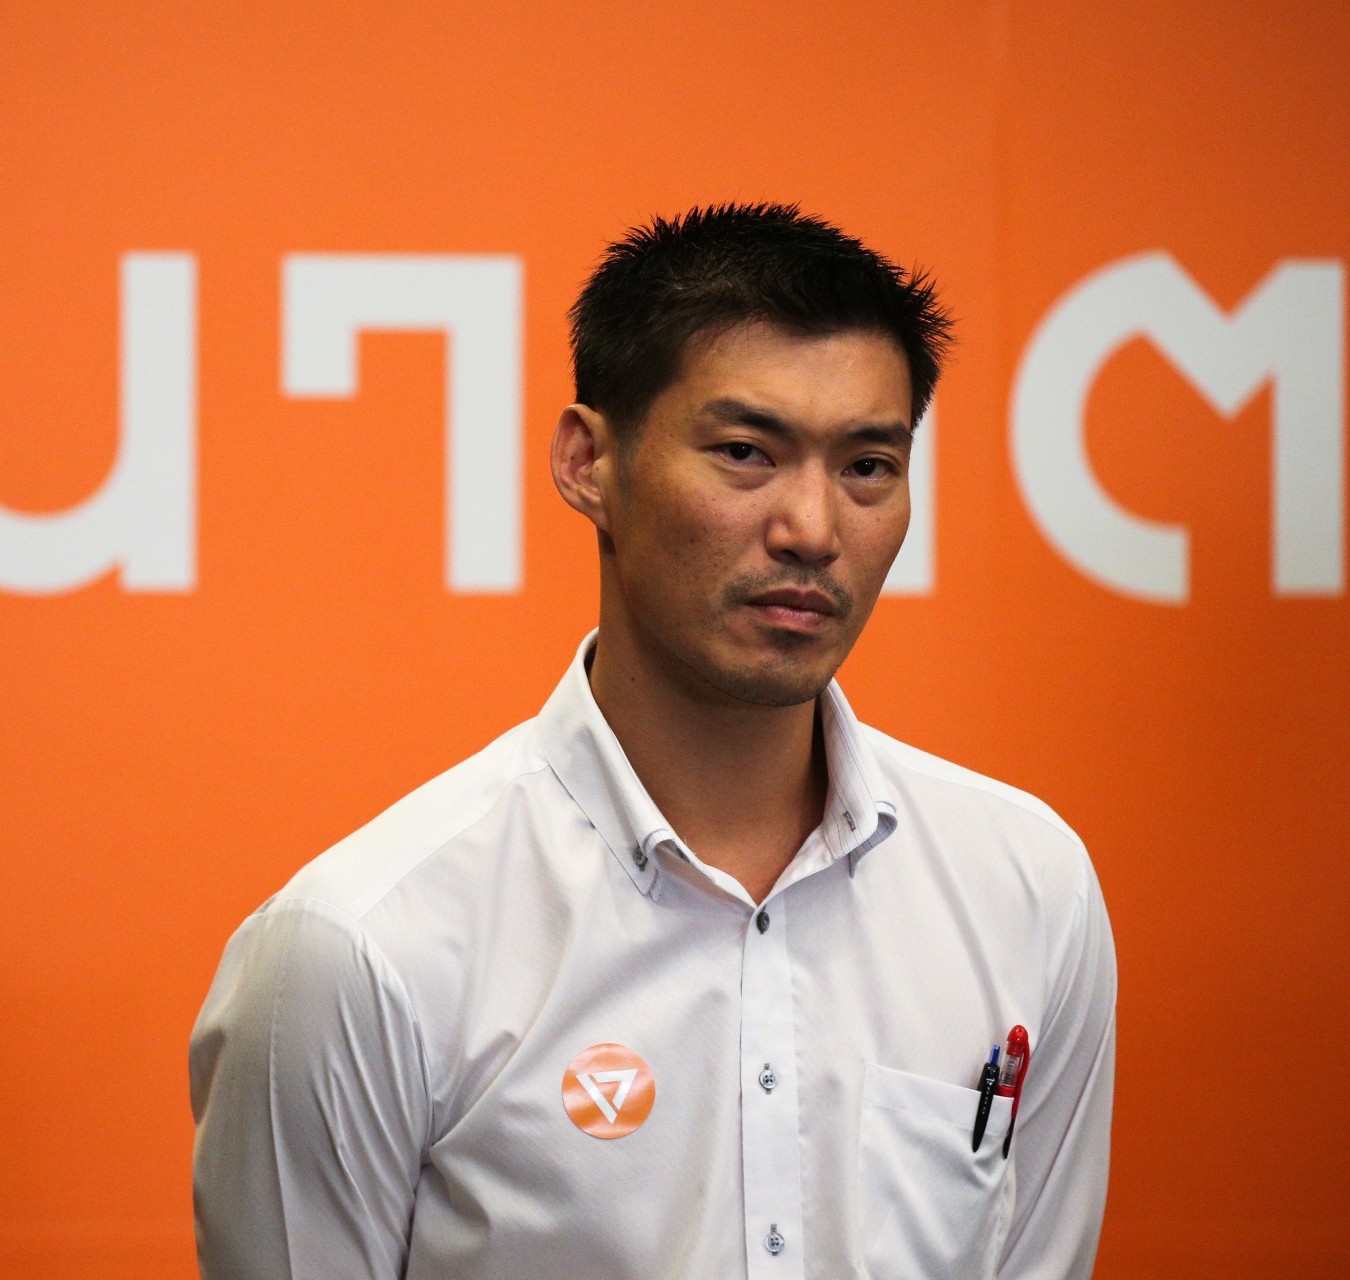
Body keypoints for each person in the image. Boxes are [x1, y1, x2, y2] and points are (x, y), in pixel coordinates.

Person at [189, 204, 1115, 1280]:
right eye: (745, 452)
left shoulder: (1026, 883)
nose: (814, 527)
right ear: (589, 462)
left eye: (868, 465)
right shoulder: (361, 944)